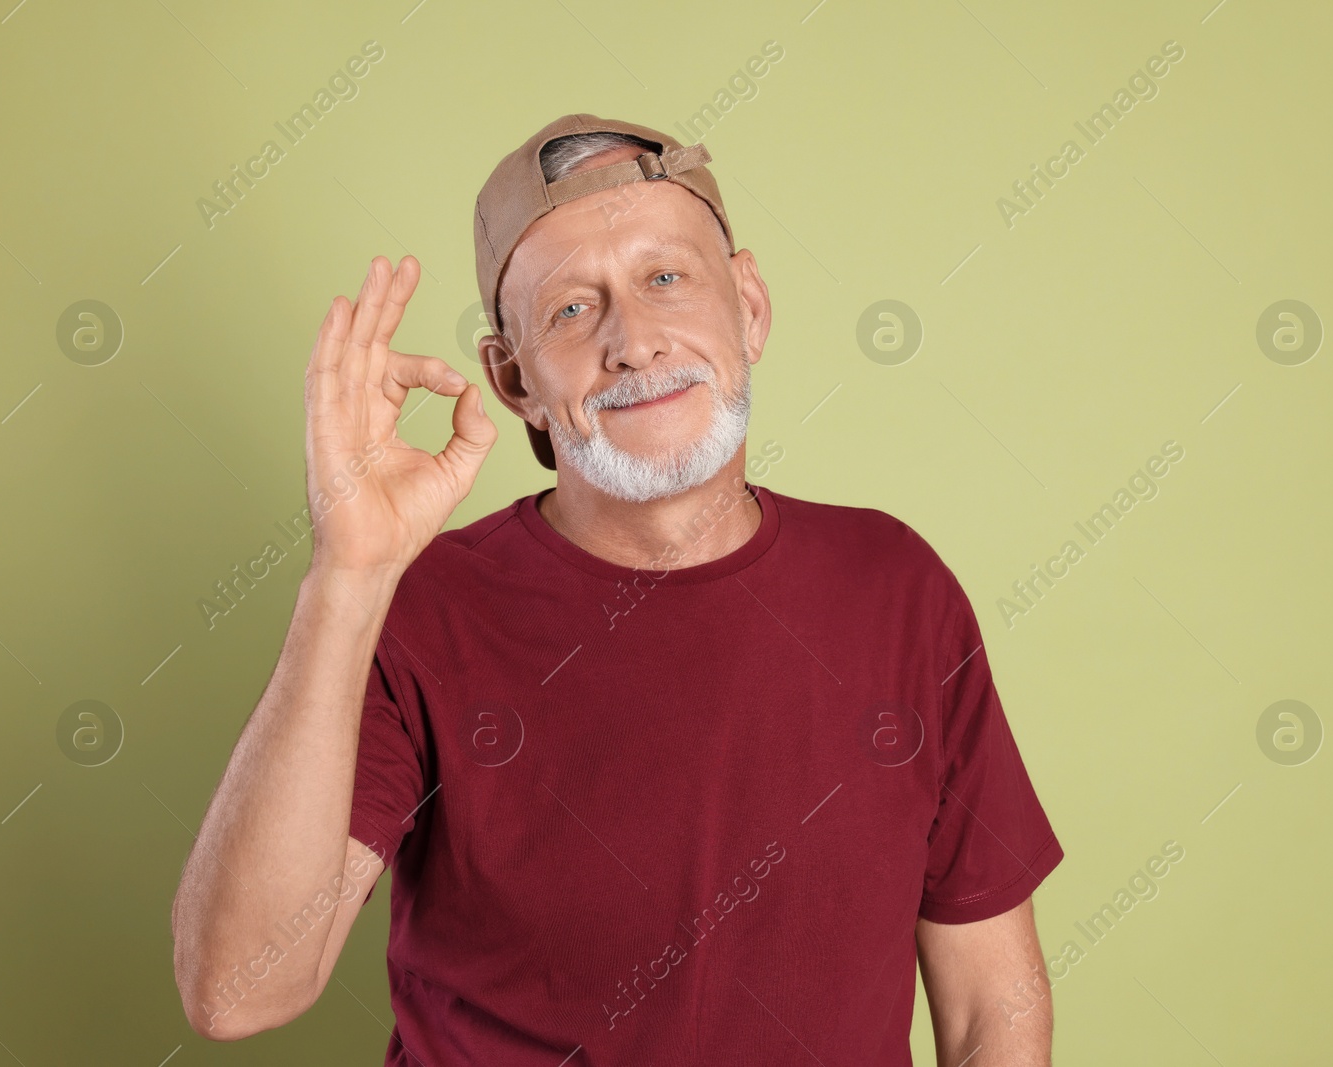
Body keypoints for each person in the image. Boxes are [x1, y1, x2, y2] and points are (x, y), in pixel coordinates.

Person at [171, 113, 1065, 1066]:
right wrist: (346, 572)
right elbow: (237, 990)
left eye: (665, 278)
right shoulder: (419, 611)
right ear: (513, 380)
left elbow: (989, 1016)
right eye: (570, 309)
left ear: (750, 305)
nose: (634, 342)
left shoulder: (897, 589)